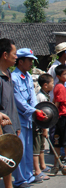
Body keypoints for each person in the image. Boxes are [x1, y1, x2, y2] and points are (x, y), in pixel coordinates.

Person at [12, 48, 44, 187]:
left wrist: (35, 110)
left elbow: (32, 96)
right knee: (21, 149)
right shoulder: (14, 78)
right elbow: (19, 100)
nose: (31, 63)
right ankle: (20, 179)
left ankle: (29, 175)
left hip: (29, 117)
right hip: (19, 118)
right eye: (29, 60)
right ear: (20, 61)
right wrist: (33, 110)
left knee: (29, 148)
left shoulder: (27, 76)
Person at [0, 38, 21, 188]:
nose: (16, 57)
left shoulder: (8, 74)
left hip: (10, 127)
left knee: (7, 162)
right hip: (1, 130)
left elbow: (11, 104)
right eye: (14, 54)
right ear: (5, 55)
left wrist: (16, 124)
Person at [51, 64, 66, 175]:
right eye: (64, 74)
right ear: (58, 76)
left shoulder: (58, 86)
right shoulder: (60, 87)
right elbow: (58, 102)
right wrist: (54, 112)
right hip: (64, 115)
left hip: (60, 116)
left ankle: (56, 163)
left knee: (57, 140)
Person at [33, 74, 53, 181]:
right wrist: (45, 129)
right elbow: (42, 114)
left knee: (41, 147)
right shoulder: (40, 97)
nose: (53, 85)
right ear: (45, 85)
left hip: (42, 126)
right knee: (36, 149)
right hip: (38, 125)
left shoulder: (46, 94)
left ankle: (43, 165)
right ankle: (37, 171)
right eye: (52, 83)